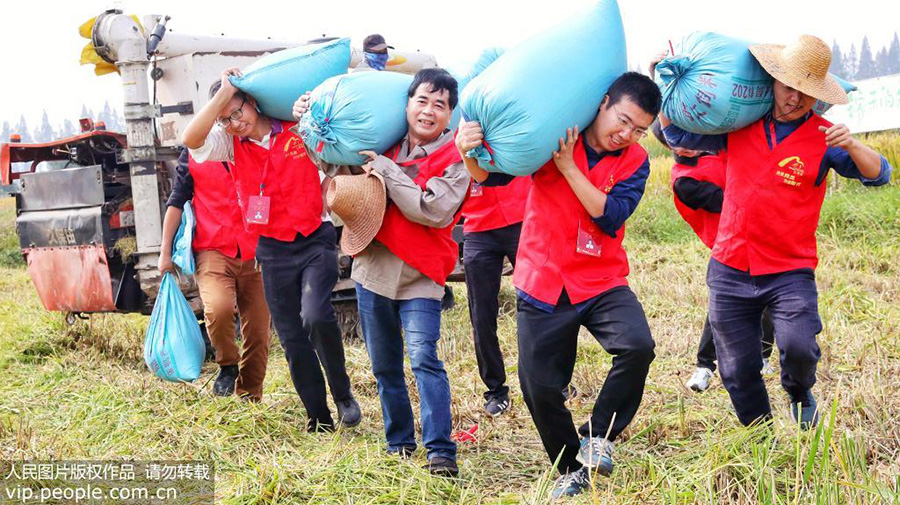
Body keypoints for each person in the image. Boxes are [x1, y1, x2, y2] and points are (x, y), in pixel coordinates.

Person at [658, 35, 893, 429]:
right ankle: (759, 433)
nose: (794, 100)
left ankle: (799, 391)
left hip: (789, 269)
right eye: (788, 88)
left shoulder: (824, 137)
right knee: (735, 369)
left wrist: (851, 145)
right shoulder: (740, 123)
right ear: (772, 82)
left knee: (800, 346)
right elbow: (677, 136)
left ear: (817, 95)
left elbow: (880, 174)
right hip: (731, 264)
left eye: (805, 93)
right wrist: (667, 82)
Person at [458, 72, 661, 498]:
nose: (626, 134)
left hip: (600, 278)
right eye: (622, 120)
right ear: (602, 103)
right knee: (539, 388)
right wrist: (467, 153)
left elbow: (610, 215)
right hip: (543, 278)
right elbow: (491, 177)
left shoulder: (636, 162)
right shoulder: (554, 133)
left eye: (639, 129)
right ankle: (570, 466)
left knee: (637, 345)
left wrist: (568, 168)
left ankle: (600, 434)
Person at [294, 67, 468, 477]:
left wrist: (387, 171)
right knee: (384, 364)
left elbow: (432, 210)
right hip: (373, 269)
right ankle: (399, 443)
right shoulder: (378, 143)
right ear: (407, 104)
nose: (428, 111)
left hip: (421, 275)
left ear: (450, 115)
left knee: (425, 357)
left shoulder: (455, 159)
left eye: (439, 106)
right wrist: (306, 124)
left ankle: (440, 451)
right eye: (422, 101)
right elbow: (335, 169)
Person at [182, 68, 361, 432]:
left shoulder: (294, 126)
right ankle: (318, 416)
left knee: (314, 315)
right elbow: (191, 138)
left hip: (314, 237)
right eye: (225, 119)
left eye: (238, 112)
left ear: (253, 103)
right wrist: (222, 95)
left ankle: (343, 394)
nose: (234, 123)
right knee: (292, 335)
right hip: (272, 249)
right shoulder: (228, 144)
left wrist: (307, 109)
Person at [647, 122, 776, 392]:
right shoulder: (685, 180)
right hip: (729, 243)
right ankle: (705, 365)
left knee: (769, 299)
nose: (685, 144)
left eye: (687, 135)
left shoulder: (712, 149)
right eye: (675, 140)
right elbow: (731, 199)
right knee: (724, 304)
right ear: (667, 145)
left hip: (762, 233)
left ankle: (762, 357)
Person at [158, 148, 271, 401]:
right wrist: (165, 252)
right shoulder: (195, 152)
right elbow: (176, 202)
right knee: (217, 308)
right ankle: (228, 364)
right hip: (212, 249)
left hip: (256, 250)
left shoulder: (253, 144)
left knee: (258, 331)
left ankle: (250, 396)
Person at [460, 165, 531, 416]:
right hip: (478, 225)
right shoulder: (461, 134)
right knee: (481, 316)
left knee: (538, 307)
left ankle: (552, 381)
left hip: (522, 215)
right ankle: (496, 390)